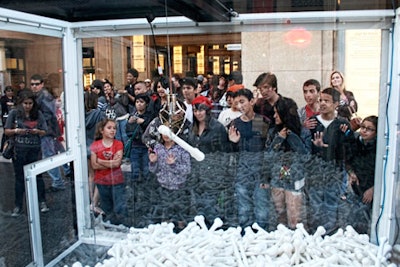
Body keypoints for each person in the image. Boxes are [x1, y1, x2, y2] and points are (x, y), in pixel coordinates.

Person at [306, 87, 355, 234]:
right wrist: (316, 147)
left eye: (326, 101)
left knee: (331, 204)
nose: (322, 104)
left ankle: (329, 234)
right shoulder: (312, 123)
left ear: (335, 104)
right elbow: (302, 147)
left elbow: (350, 146)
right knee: (315, 204)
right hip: (315, 171)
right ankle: (315, 234)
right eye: (321, 100)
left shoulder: (342, 124)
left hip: (335, 171)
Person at [228, 88, 270, 230]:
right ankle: (245, 231)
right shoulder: (235, 123)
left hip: (260, 169)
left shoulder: (260, 120)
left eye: (242, 102)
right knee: (243, 205)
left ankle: (262, 232)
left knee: (262, 205)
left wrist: (266, 174)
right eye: (236, 103)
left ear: (251, 101)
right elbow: (232, 153)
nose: (240, 106)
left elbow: (265, 146)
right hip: (241, 170)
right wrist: (233, 143)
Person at [4, 91, 49, 216]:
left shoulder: (38, 114)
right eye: (25, 103)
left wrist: (37, 131)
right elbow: (7, 131)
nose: (28, 106)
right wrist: (17, 130)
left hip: (34, 149)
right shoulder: (14, 113)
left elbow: (45, 131)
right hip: (18, 150)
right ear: (20, 103)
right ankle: (18, 205)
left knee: (38, 178)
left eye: (30, 103)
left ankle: (42, 202)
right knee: (19, 179)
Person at [266, 97, 308, 229]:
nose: (274, 116)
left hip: (295, 181)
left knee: (295, 218)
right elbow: (268, 156)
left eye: (277, 113)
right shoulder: (273, 132)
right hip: (278, 180)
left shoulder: (303, 132)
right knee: (280, 216)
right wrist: (279, 139)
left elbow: (306, 156)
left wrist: (292, 138)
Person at [148, 126, 191, 226]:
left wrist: (174, 165)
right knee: (165, 216)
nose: (166, 135)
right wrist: (153, 162)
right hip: (162, 187)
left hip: (178, 188)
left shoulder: (182, 149)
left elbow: (187, 169)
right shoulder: (158, 148)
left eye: (169, 132)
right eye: (164, 133)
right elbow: (153, 170)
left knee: (180, 216)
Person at [30, 74, 65, 191]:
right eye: (32, 84)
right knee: (57, 151)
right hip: (49, 130)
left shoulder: (43, 96)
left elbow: (49, 114)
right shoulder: (40, 96)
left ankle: (58, 182)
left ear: (42, 84)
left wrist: (41, 128)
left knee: (48, 156)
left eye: (36, 84)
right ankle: (67, 171)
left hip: (47, 131)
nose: (34, 86)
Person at [90, 119, 128, 225]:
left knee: (120, 207)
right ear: (102, 130)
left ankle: (123, 227)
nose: (113, 130)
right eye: (109, 128)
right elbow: (94, 165)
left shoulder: (118, 144)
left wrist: (100, 160)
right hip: (102, 182)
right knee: (107, 208)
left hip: (117, 181)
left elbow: (117, 164)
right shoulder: (95, 145)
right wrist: (111, 162)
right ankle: (111, 226)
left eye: (114, 128)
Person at [346, 116, 378, 233]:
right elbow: (349, 160)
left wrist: (374, 189)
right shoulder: (356, 142)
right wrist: (351, 173)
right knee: (354, 218)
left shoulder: (379, 148)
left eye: (369, 129)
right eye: (363, 127)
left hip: (371, 189)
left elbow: (383, 175)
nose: (364, 131)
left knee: (367, 218)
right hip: (357, 187)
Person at [126, 93, 153, 184]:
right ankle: (135, 191)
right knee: (135, 171)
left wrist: (144, 122)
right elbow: (128, 132)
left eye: (142, 102)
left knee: (146, 171)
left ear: (146, 104)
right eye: (137, 102)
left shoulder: (150, 116)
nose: (139, 104)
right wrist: (130, 123)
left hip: (146, 147)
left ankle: (146, 191)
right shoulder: (132, 115)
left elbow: (152, 131)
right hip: (135, 146)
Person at [1, 86, 16, 152]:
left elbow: (17, 104)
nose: (10, 92)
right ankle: (3, 147)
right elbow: (3, 105)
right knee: (6, 132)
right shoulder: (3, 98)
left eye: (11, 91)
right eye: (8, 91)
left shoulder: (14, 98)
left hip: (13, 117)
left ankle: (11, 147)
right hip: (5, 116)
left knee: (13, 132)